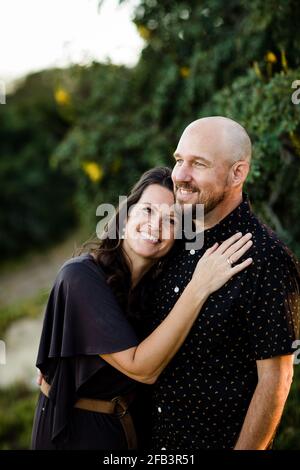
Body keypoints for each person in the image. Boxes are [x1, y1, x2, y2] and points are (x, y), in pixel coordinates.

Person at [31, 166, 253, 450]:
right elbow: (142, 369)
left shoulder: (157, 290)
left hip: (128, 430)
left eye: (171, 220)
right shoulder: (80, 276)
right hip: (74, 432)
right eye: (147, 210)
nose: (156, 225)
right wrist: (200, 285)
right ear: (125, 217)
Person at [142, 117, 300, 451]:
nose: (181, 176)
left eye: (198, 164)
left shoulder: (265, 258)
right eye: (178, 160)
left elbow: (275, 381)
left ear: (237, 173)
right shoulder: (172, 235)